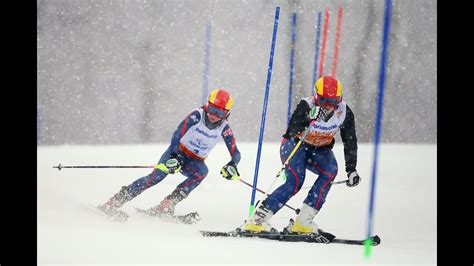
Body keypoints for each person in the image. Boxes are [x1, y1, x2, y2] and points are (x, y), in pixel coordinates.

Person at [241, 76, 361, 239]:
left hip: (319, 150)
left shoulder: (344, 112)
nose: (328, 106)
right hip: (295, 145)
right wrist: (308, 117)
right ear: (316, 96)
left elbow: (350, 141)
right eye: (324, 100)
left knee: (331, 170)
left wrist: (351, 169)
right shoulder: (307, 105)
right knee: (296, 180)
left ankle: (303, 221)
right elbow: (292, 129)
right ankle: (258, 219)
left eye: (333, 102)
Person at [98, 88, 241, 221]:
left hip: (194, 161)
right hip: (177, 153)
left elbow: (235, 152)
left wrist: (233, 164)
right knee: (156, 177)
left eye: (220, 113)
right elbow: (177, 134)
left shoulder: (224, 127)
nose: (213, 115)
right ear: (207, 105)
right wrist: (174, 156)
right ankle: (115, 202)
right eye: (211, 109)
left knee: (202, 172)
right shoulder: (197, 115)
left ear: (226, 114)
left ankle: (167, 204)